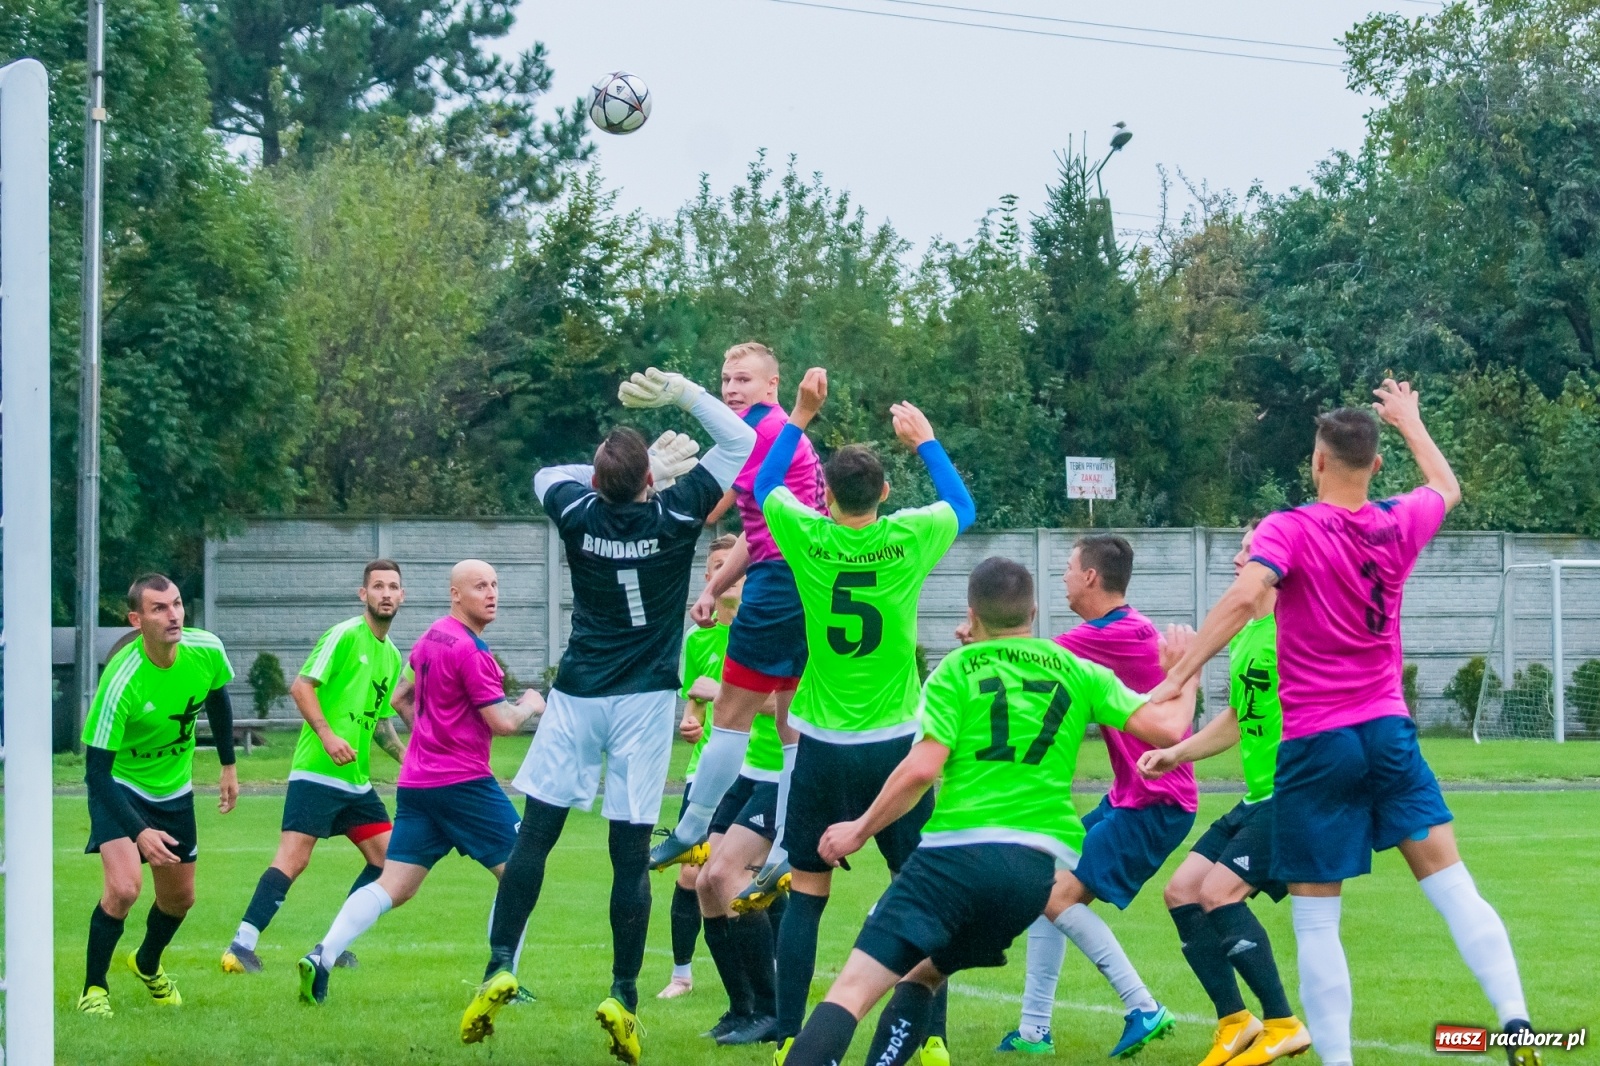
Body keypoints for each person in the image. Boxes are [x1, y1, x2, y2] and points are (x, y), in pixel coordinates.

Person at [1150, 381, 1540, 1066]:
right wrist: (1410, 420)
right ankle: (1517, 1025)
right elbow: (1445, 487)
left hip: (1317, 745)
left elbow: (1245, 596)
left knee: (1316, 921)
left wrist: (1179, 674)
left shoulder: (1289, 527)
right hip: (1388, 733)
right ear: (1376, 465)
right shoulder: (1398, 521)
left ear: (1318, 461)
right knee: (1454, 888)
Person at [779, 558, 1200, 1066]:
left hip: (953, 860)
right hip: (1028, 878)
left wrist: (858, 829)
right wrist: (1188, 671)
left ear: (971, 613)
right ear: (1034, 611)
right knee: (923, 975)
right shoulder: (1079, 670)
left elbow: (921, 769)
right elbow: (1169, 730)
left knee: (852, 990)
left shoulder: (955, 670)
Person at [459, 371, 756, 1064]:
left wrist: (621, 472)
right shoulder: (676, 514)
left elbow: (547, 474)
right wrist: (683, 397)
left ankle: (500, 963)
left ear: (597, 481)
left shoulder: (577, 508)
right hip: (644, 701)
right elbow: (739, 442)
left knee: (535, 838)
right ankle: (623, 993)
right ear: (651, 480)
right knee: (628, 854)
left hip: (577, 695)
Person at [756, 368, 977, 1066]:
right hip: (895, 747)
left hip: (821, 743)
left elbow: (764, 488)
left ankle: (789, 1037)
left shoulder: (806, 535)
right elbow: (962, 505)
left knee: (807, 893)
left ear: (824, 495)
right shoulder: (910, 535)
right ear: (884, 493)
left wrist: (800, 413)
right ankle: (932, 1039)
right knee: (922, 896)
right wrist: (926, 441)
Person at [296, 560, 544, 1005]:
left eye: (494, 585)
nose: (491, 594)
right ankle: (500, 979)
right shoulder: (472, 652)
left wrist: (431, 735)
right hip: (464, 783)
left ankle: (322, 955)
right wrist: (530, 703)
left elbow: (399, 697)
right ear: (455, 594)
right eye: (480, 586)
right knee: (521, 874)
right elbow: (504, 722)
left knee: (395, 885)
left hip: (417, 782)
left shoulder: (432, 637)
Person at [995, 534, 1196, 1058]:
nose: (1062, 577)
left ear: (1090, 576)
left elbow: (1029, 660)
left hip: (1156, 801)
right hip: (1132, 796)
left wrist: (984, 640)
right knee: (1046, 889)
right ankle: (1034, 1031)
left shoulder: (1111, 635)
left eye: (1067, 568)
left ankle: (1143, 1007)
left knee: (1054, 896)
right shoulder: (1121, 630)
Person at [1137, 523, 1310, 1066]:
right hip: (1256, 796)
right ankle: (1236, 1022)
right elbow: (1239, 717)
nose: (1238, 559)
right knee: (1182, 892)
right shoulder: (1246, 635)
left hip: (1291, 793)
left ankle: (1283, 1022)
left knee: (1219, 893)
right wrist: (1177, 753)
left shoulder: (1296, 631)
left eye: (1249, 550)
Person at [649, 342, 821, 884]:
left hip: (778, 585)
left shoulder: (759, 431)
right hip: (808, 583)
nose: (730, 388)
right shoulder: (778, 432)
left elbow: (709, 508)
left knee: (729, 712)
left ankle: (692, 827)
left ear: (772, 386)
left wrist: (650, 480)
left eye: (743, 379)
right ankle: (786, 847)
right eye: (725, 379)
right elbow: (756, 528)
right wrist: (716, 585)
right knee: (791, 721)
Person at [222, 560, 408, 975]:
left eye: (393, 587)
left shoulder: (392, 655)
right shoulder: (345, 635)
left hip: (355, 781)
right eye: (378, 586)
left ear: (402, 596)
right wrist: (327, 735)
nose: (385, 593)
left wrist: (408, 759)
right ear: (363, 594)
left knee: (389, 862)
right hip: (318, 771)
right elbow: (301, 686)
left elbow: (379, 722)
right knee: (293, 859)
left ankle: (331, 947)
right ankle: (240, 947)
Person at [77, 574, 239, 1016]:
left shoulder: (206, 649)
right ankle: (94, 989)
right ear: (137, 619)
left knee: (179, 900)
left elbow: (217, 698)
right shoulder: (121, 679)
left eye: (177, 604)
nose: (173, 615)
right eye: (159, 608)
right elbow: (96, 773)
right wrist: (139, 831)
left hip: (174, 789)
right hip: (121, 786)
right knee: (124, 889)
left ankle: (147, 962)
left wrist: (228, 765)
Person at [659, 533, 742, 1001]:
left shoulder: (766, 630)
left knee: (752, 875)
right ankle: (681, 975)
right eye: (717, 566)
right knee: (690, 874)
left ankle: (767, 968)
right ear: (710, 578)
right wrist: (690, 722)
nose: (727, 572)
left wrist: (719, 696)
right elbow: (694, 702)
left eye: (734, 563)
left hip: (756, 769)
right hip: (705, 770)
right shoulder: (698, 639)